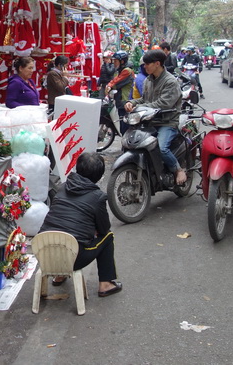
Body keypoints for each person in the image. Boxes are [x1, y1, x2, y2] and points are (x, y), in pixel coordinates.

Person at [39, 152, 122, 298]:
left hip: (44, 253)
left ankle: (59, 276)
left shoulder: (62, 187)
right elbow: (104, 228)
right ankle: (105, 284)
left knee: (61, 233)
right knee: (107, 237)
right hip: (75, 257)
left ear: (78, 168)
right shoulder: (98, 197)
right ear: (99, 175)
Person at [125, 49, 186, 185]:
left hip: (167, 122)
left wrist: (141, 107)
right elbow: (144, 99)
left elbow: (163, 104)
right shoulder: (148, 80)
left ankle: (178, 169)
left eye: (147, 64)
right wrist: (132, 102)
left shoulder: (170, 81)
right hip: (150, 121)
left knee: (161, 148)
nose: (144, 66)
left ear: (157, 63)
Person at [104, 51, 135, 131]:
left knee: (124, 126)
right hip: (121, 100)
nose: (114, 63)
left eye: (116, 61)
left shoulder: (127, 71)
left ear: (122, 61)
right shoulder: (120, 70)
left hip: (125, 100)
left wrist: (109, 86)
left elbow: (116, 81)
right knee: (122, 124)